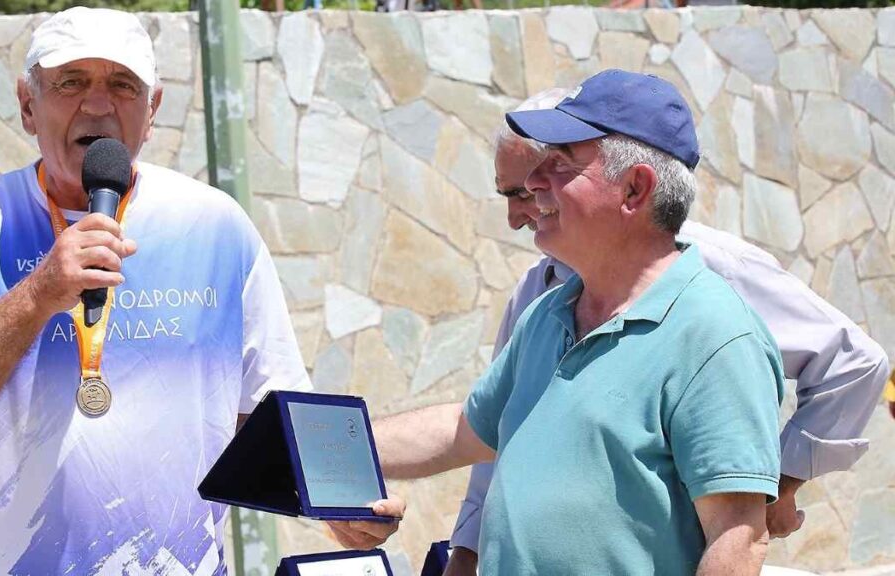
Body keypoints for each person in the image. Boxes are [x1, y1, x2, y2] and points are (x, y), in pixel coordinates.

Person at [0, 7, 324, 574]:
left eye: (123, 85)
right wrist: (37, 294)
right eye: (71, 83)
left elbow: (275, 416)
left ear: (152, 110)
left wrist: (345, 502)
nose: (97, 106)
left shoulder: (216, 226)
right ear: (27, 105)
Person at [331, 69, 787, 574]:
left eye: (560, 165)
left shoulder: (715, 335)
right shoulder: (547, 313)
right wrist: (319, 447)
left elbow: (738, 538)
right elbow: (464, 431)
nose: (532, 183)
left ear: (634, 189)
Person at [441, 89, 892, 575]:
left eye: (526, 191)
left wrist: (776, 484)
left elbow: (854, 363)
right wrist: (466, 553)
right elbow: (494, 432)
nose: (515, 217)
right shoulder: (537, 294)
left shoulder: (710, 273)